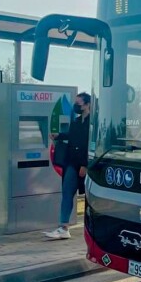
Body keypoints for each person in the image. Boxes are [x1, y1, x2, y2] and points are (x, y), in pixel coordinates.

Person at [44, 92, 91, 240]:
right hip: (71, 162)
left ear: (88, 104)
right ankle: (63, 227)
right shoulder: (77, 121)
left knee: (90, 197)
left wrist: (85, 164)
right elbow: (72, 135)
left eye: (79, 103)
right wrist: (59, 135)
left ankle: (90, 227)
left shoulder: (93, 123)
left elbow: (89, 144)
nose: (76, 106)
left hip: (84, 165)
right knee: (67, 192)